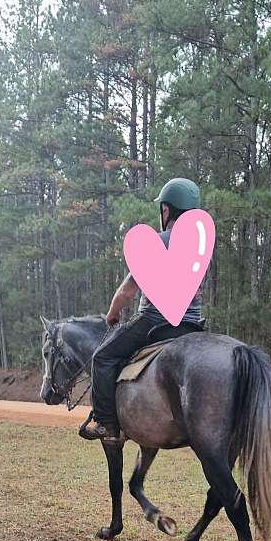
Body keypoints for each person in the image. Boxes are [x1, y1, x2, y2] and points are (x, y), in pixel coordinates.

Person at [80, 177, 207, 443]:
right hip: (193, 325)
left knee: (102, 358)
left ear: (166, 210)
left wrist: (112, 314)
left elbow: (127, 291)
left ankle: (106, 424)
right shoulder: (202, 246)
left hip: (154, 323)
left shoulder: (156, 242)